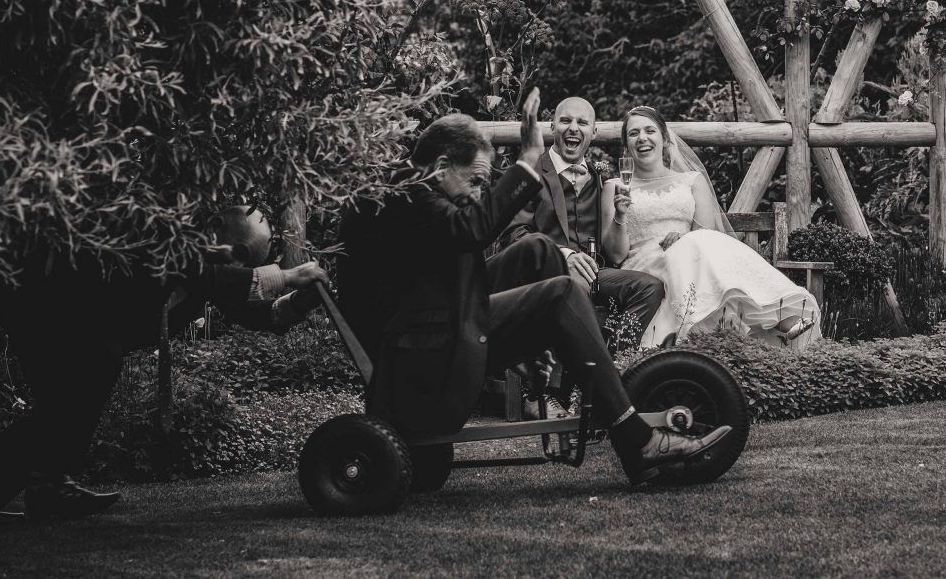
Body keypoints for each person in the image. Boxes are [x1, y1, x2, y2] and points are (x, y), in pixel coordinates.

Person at [338, 88, 731, 486]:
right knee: (560, 291)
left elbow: (456, 257)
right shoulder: (406, 194)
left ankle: (558, 383)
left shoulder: (416, 190)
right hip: (422, 359)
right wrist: (528, 160)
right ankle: (635, 438)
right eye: (475, 182)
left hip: (438, 322)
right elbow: (472, 229)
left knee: (538, 250)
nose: (478, 194)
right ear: (441, 166)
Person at [0, 206, 329, 521]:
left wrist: (299, 301)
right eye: (237, 252)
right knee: (78, 392)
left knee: (71, 400)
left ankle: (42, 487)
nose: (233, 262)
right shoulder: (168, 236)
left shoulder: (214, 273)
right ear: (214, 225)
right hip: (47, 311)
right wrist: (287, 274)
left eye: (242, 260)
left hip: (90, 337)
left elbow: (260, 313)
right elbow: (219, 278)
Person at [601, 106, 820, 348]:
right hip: (644, 267)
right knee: (696, 245)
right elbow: (616, 255)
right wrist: (620, 215)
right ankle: (772, 322)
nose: (642, 137)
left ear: (664, 139)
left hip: (692, 256)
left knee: (698, 242)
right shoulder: (615, 186)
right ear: (627, 144)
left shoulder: (692, 181)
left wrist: (683, 238)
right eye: (633, 133)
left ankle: (759, 324)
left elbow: (707, 233)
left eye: (649, 130)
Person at [499, 97, 665, 340]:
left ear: (594, 131)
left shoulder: (601, 179)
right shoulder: (530, 172)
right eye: (565, 121)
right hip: (549, 273)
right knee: (575, 286)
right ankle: (579, 373)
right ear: (552, 126)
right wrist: (564, 255)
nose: (573, 128)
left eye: (582, 123)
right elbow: (513, 235)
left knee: (650, 287)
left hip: (598, 272)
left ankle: (619, 362)